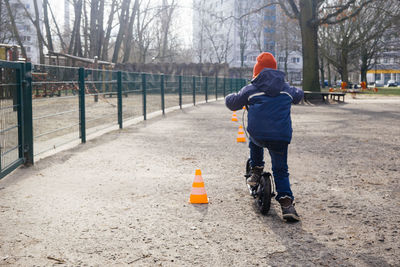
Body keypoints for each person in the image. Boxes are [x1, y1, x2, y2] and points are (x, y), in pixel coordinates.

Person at [225, 52, 303, 222]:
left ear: (257, 72)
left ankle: (256, 170)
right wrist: (297, 90)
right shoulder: (286, 88)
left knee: (255, 141)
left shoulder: (251, 89)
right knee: (281, 170)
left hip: (259, 134)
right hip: (281, 136)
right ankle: (287, 204)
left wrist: (230, 96)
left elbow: (233, 103)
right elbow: (298, 95)